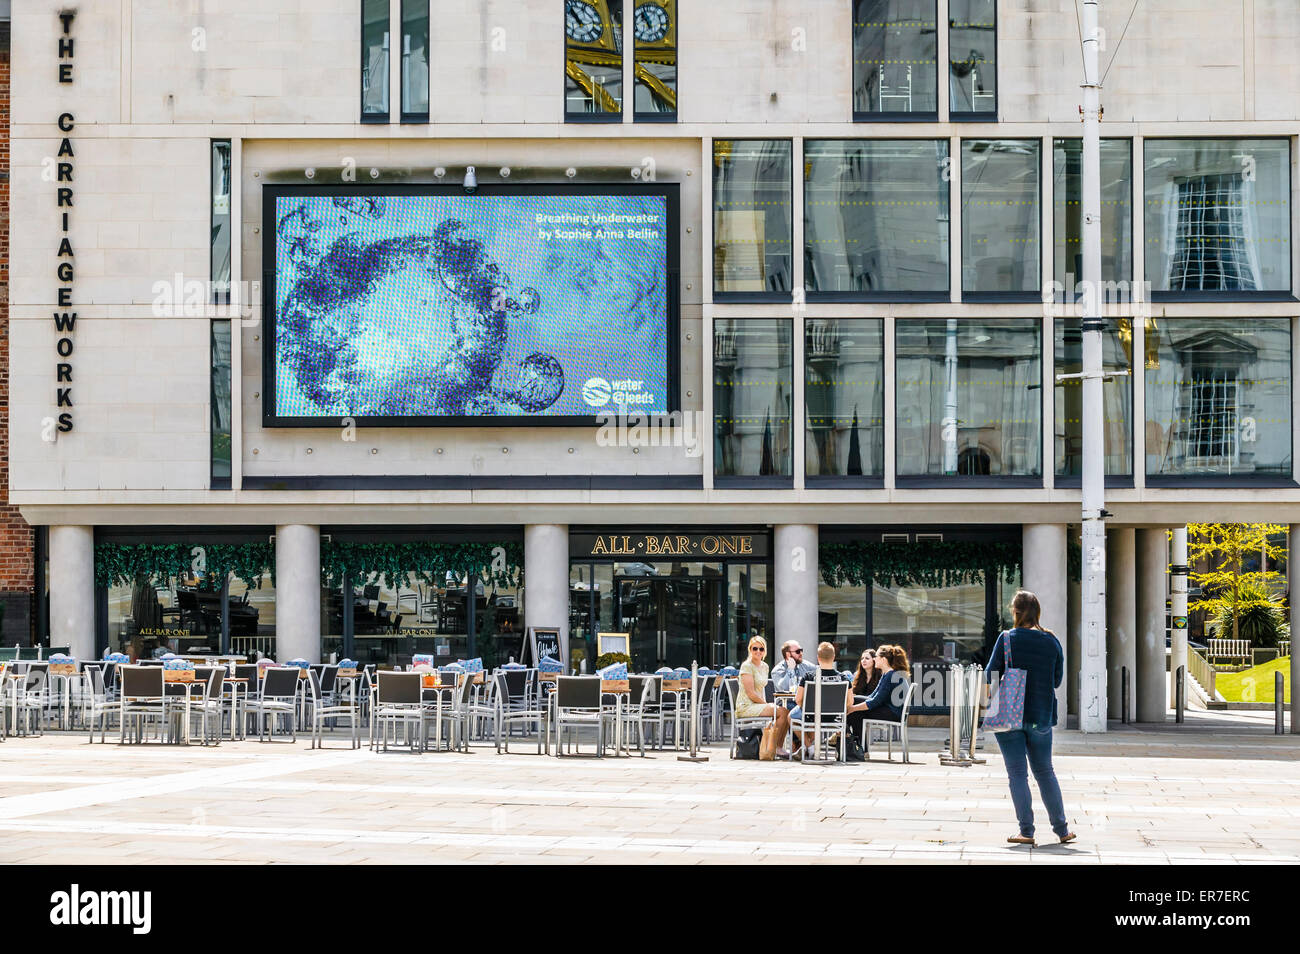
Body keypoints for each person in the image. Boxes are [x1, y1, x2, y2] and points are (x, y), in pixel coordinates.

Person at [985, 589, 1076, 847]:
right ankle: (1062, 830)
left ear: (1015, 612)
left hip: (1009, 715)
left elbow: (990, 675)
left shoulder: (1007, 638)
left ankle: (1027, 831)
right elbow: (1056, 680)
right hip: (1041, 714)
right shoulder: (1052, 641)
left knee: (1017, 774)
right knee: (1045, 771)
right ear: (1037, 612)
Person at [789, 641, 850, 758]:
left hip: (811, 716)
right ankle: (809, 747)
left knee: (791, 716)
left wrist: (806, 709)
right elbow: (850, 702)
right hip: (834, 718)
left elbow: (798, 699)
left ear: (818, 658)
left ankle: (809, 747)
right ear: (834, 657)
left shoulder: (809, 676)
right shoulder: (843, 678)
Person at [736, 635, 792, 759]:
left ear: (764, 651)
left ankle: (775, 747)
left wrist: (767, 706)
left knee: (786, 713)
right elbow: (750, 693)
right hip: (746, 706)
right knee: (782, 712)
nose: (758, 651)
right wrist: (766, 705)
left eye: (761, 649)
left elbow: (760, 690)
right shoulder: (747, 666)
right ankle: (774, 747)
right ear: (750, 649)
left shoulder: (765, 666)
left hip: (758, 704)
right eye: (755, 648)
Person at [846, 644, 909, 744]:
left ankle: (847, 738)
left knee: (855, 712)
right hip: (890, 711)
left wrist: (852, 708)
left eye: (876, 657)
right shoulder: (886, 674)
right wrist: (853, 700)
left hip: (893, 713)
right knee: (855, 702)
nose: (874, 659)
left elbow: (875, 701)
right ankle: (855, 745)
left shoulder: (890, 675)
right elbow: (872, 697)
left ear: (883, 659)